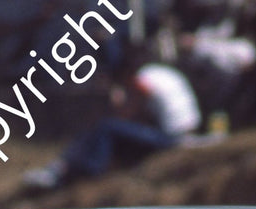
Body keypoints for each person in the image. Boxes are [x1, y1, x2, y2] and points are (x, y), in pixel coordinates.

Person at [23, 54, 201, 189]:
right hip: (187, 130)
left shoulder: (141, 80)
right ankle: (64, 166)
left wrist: (118, 103)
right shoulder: (158, 72)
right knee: (108, 128)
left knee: (106, 127)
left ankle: (86, 171)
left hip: (172, 139)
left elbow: (129, 113)